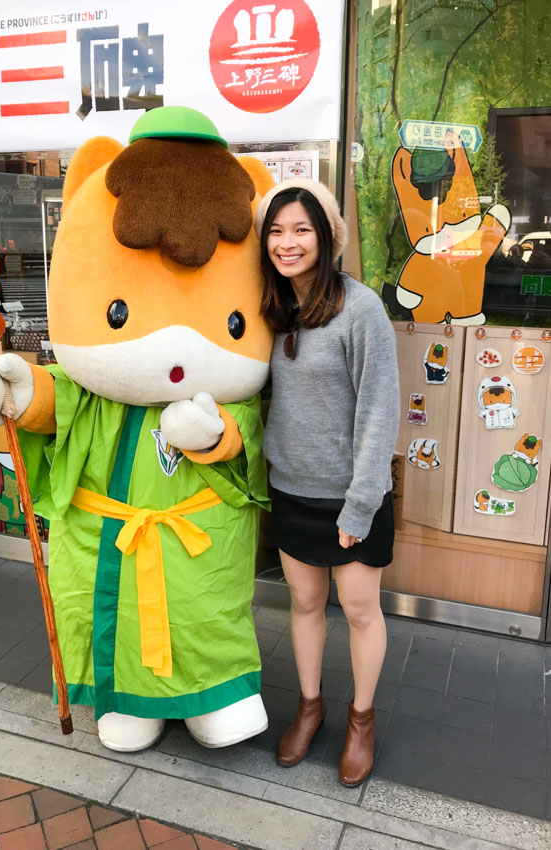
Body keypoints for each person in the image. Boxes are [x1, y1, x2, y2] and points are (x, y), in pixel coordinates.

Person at [256, 179, 400, 786]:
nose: (287, 244)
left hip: (351, 496)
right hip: (293, 490)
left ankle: (361, 721)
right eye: (277, 231)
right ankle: (309, 708)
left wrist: (360, 506)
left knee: (361, 609)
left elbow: (379, 411)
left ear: (327, 236)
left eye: (302, 230)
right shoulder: (272, 308)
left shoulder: (360, 308)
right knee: (306, 603)